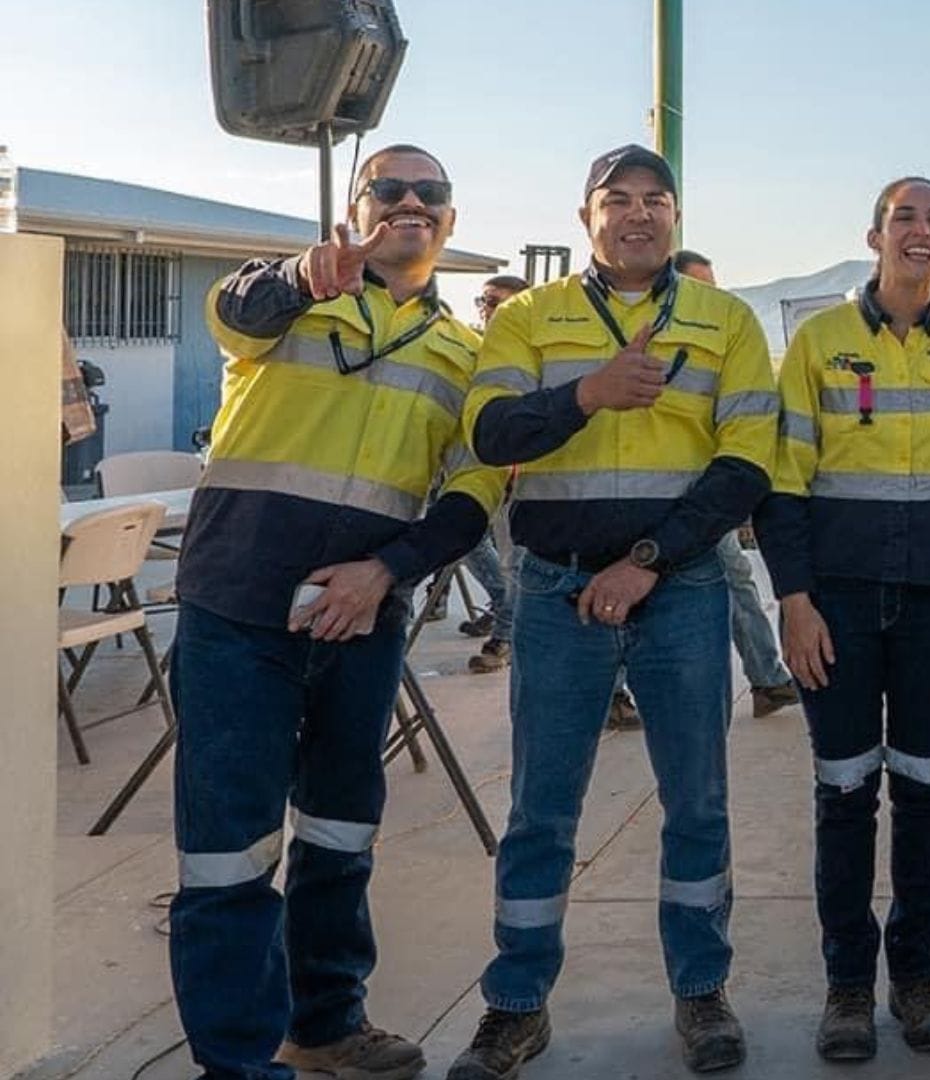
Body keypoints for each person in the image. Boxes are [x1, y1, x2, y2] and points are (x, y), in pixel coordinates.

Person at [168, 143, 505, 1080]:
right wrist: (295, 273)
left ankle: (323, 1023)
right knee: (228, 852)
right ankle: (236, 1064)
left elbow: (471, 498)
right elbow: (236, 310)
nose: (409, 203)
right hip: (238, 611)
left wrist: (383, 573)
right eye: (387, 188)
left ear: (450, 218)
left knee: (340, 831)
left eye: (429, 193)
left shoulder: (464, 357)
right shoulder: (284, 302)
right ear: (357, 208)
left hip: (361, 622)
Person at [449, 144, 777, 1077]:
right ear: (585, 217)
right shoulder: (527, 317)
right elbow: (492, 431)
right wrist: (587, 394)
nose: (639, 215)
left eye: (657, 201)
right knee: (542, 809)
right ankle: (516, 1006)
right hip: (555, 590)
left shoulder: (723, 320)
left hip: (681, 590)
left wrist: (646, 562)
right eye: (618, 201)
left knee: (698, 803)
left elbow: (746, 463)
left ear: (676, 217)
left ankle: (702, 993)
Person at [756, 177, 930, 1062]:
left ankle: (918, 978)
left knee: (926, 792)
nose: (923, 232)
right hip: (841, 607)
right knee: (845, 793)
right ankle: (849, 987)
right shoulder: (820, 343)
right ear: (874, 234)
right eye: (907, 217)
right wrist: (795, 600)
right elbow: (784, 484)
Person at [674, 248, 801, 718]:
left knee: (736, 579)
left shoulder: (725, 344)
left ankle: (767, 678)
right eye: (700, 288)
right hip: (664, 496)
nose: (712, 299)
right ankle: (766, 678)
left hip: (709, 494)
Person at [465, 274, 529, 675]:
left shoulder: (533, 355)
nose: (489, 310)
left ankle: (505, 635)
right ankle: (502, 608)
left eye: (499, 303)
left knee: (516, 564)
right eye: (485, 301)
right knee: (468, 545)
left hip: (518, 481)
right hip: (471, 475)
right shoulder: (470, 350)